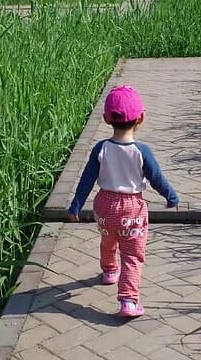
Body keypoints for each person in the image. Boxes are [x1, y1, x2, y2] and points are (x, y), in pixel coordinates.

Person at [68, 85, 179, 318]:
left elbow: (87, 179)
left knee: (108, 240)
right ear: (141, 118)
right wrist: (170, 196)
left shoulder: (101, 148)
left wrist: (76, 205)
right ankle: (128, 300)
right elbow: (156, 178)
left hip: (104, 206)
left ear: (107, 119)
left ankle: (109, 271)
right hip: (132, 208)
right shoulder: (142, 151)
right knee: (132, 254)